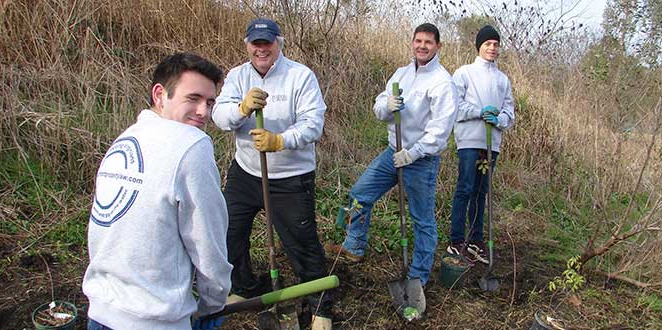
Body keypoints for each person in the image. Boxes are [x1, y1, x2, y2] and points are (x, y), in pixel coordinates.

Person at [82, 52, 232, 330]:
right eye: (193, 98)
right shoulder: (192, 145)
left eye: (210, 102)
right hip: (154, 319)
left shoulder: (126, 139)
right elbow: (208, 243)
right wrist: (213, 305)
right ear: (160, 94)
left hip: (101, 311)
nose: (204, 112)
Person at [211, 18, 333, 330]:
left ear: (279, 42)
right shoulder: (237, 76)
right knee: (231, 232)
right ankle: (243, 288)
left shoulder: (300, 76)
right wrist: (241, 109)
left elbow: (312, 123)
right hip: (247, 171)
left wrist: (281, 140)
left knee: (302, 242)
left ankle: (320, 306)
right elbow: (219, 117)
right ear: (247, 44)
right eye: (256, 43)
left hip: (291, 177)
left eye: (267, 42)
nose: (261, 48)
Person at [325, 23, 457, 287]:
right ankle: (354, 246)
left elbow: (440, 130)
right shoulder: (401, 74)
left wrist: (413, 153)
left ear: (438, 46)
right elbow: (378, 108)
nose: (422, 46)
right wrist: (386, 105)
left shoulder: (443, 82)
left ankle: (418, 275)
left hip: (421, 161)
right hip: (391, 153)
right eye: (418, 41)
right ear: (412, 42)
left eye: (428, 42)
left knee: (422, 220)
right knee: (360, 194)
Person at [447, 25, 515, 264]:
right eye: (488, 44)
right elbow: (454, 105)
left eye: (496, 44)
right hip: (469, 140)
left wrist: (500, 120)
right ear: (479, 46)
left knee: (481, 192)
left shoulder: (502, 79)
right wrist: (479, 112)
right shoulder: (464, 73)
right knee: (465, 188)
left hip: (491, 143)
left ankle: (475, 241)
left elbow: (509, 111)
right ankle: (456, 240)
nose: (492, 48)